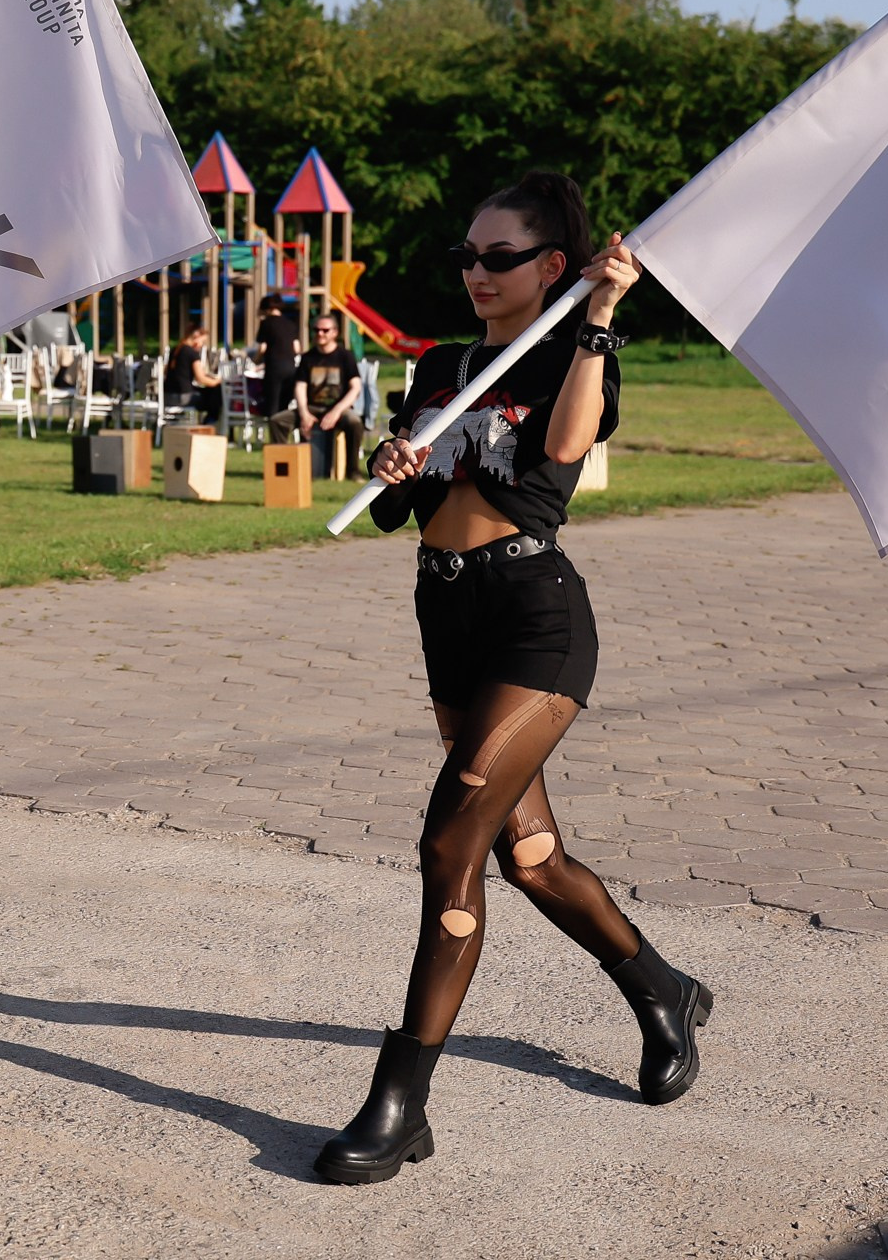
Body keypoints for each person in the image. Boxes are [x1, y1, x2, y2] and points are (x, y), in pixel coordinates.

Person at [313, 170, 709, 1185]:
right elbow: (412, 501)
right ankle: (661, 989)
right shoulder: (445, 361)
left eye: (499, 258)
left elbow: (566, 449)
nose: (475, 273)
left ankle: (399, 1103)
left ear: (550, 267)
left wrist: (605, 311)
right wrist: (398, 457)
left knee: (452, 842)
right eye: (467, 256)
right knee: (529, 856)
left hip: (536, 620)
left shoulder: (575, 353)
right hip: (447, 614)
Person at [278, 313, 366, 479]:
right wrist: (304, 413)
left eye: (325, 330)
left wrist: (336, 411)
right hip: (311, 408)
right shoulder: (307, 358)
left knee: (355, 423)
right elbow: (300, 386)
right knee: (278, 421)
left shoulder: (345, 356)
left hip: (338, 408)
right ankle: (283, 469)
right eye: (316, 330)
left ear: (335, 332)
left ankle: (352, 471)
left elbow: (355, 387)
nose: (320, 334)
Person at [251, 297, 300, 418]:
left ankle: (273, 429)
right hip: (291, 367)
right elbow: (297, 348)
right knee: (284, 402)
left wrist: (254, 362)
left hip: (274, 367)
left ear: (267, 309)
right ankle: (283, 427)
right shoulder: (290, 323)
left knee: (272, 403)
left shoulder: (266, 323)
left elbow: (263, 347)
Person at [164, 325, 223, 422]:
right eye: (202, 341)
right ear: (196, 337)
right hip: (183, 397)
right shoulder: (192, 353)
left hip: (168, 396)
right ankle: (210, 422)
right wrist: (218, 382)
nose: (202, 345)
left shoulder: (175, 350)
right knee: (215, 395)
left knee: (208, 393)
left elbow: (167, 371)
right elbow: (201, 378)